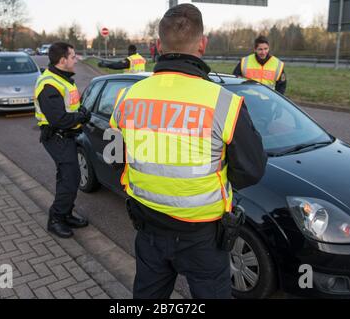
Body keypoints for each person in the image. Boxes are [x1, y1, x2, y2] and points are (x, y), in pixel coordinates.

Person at [110, 4, 268, 299]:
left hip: (148, 227)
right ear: (202, 44)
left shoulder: (126, 97)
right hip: (202, 237)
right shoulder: (224, 103)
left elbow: (113, 155)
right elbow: (251, 171)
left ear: (157, 46)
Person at [35, 42, 92, 239]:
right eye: (73, 56)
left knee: (69, 178)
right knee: (70, 179)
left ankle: (66, 214)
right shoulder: (49, 84)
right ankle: (56, 219)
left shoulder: (64, 79)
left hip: (67, 136)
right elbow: (58, 119)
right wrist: (81, 117)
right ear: (62, 60)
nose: (75, 59)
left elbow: (70, 107)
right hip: (57, 137)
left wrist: (81, 111)